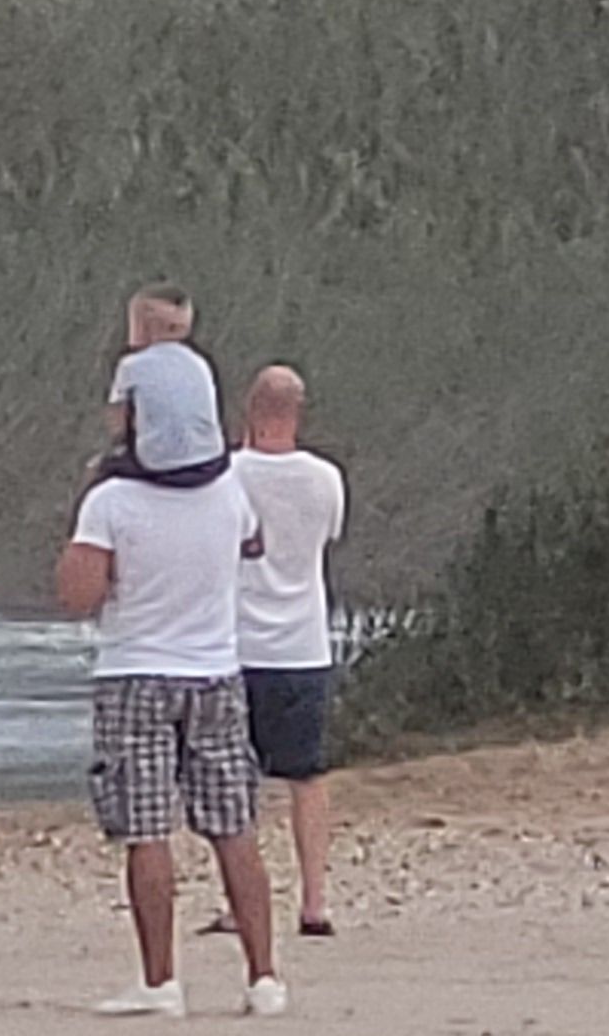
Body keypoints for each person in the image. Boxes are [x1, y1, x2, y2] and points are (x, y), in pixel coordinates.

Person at [60, 435, 287, 1018]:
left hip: (136, 670)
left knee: (146, 826)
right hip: (215, 671)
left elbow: (77, 594)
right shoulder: (227, 493)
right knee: (233, 823)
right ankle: (264, 977)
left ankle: (160, 981)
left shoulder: (111, 500)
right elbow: (253, 543)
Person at [230, 364, 348, 938]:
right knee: (307, 775)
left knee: (236, 776)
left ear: (249, 413)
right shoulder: (326, 479)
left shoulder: (226, 477)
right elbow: (324, 540)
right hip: (303, 644)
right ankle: (314, 900)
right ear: (299, 412)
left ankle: (241, 901)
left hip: (237, 643)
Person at [99, 285, 228, 488]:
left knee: (101, 471)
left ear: (142, 327)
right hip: (213, 461)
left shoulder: (131, 366)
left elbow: (117, 421)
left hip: (161, 467)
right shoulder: (200, 361)